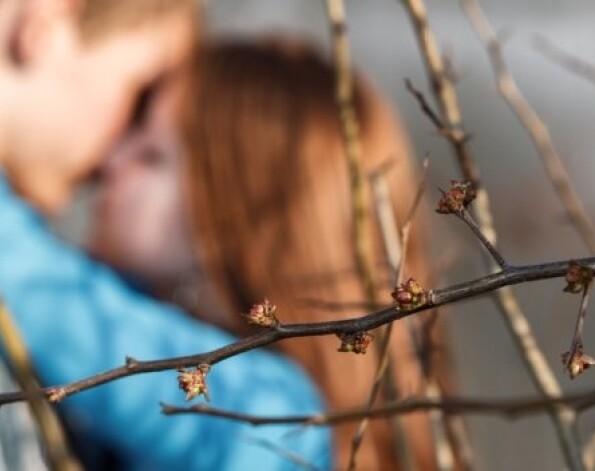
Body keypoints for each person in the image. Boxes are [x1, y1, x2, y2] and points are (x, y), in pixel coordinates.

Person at [90, 38, 452, 470]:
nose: (110, 161)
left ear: (235, 213)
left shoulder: (278, 423)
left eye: (152, 155)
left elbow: (44, 290)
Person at [0, 2, 331, 470]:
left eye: (152, 153)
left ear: (225, 208)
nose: (112, 159)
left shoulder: (269, 408)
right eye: (136, 100)